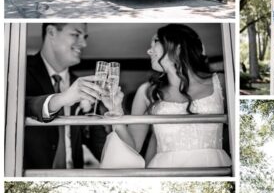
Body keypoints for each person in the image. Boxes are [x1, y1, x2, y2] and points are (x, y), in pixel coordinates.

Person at [102, 25, 230, 170]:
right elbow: (133, 146)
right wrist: (116, 110)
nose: (149, 51)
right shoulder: (147, 92)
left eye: (155, 42)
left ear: (177, 47)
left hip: (215, 166)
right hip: (164, 170)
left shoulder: (222, 82)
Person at [25, 23, 106, 170]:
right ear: (51, 32)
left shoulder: (81, 85)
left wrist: (113, 114)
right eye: (76, 34)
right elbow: (23, 106)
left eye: (85, 37)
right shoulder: (18, 69)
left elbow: (103, 152)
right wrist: (63, 98)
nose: (84, 43)